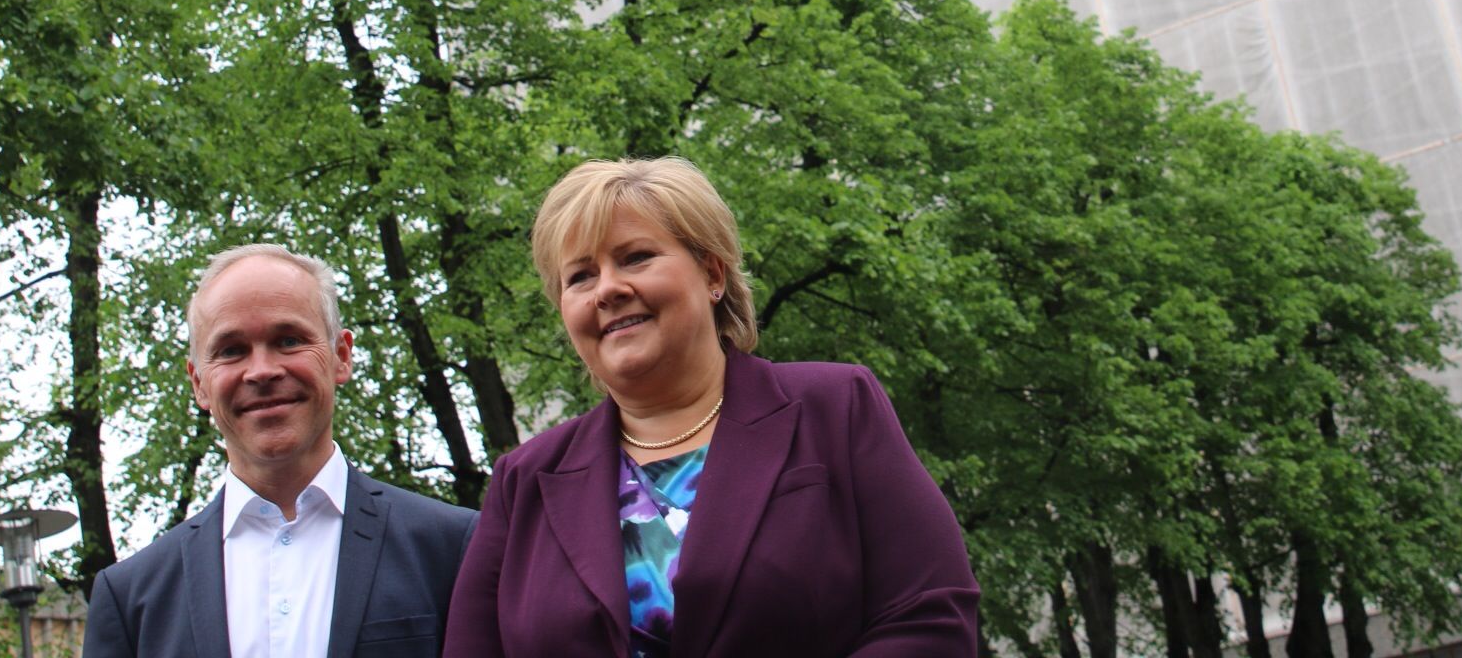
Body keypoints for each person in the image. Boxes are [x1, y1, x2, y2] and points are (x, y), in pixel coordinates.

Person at [445, 157, 979, 657]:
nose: (607, 288)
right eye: (581, 276)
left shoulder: (835, 408)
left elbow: (930, 615)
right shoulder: (524, 480)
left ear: (713, 275)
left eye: (635, 257)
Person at [82, 245, 479, 658]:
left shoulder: (451, 549)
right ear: (198, 382)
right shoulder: (131, 600)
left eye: (289, 340)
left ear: (341, 357)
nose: (262, 371)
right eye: (231, 350)